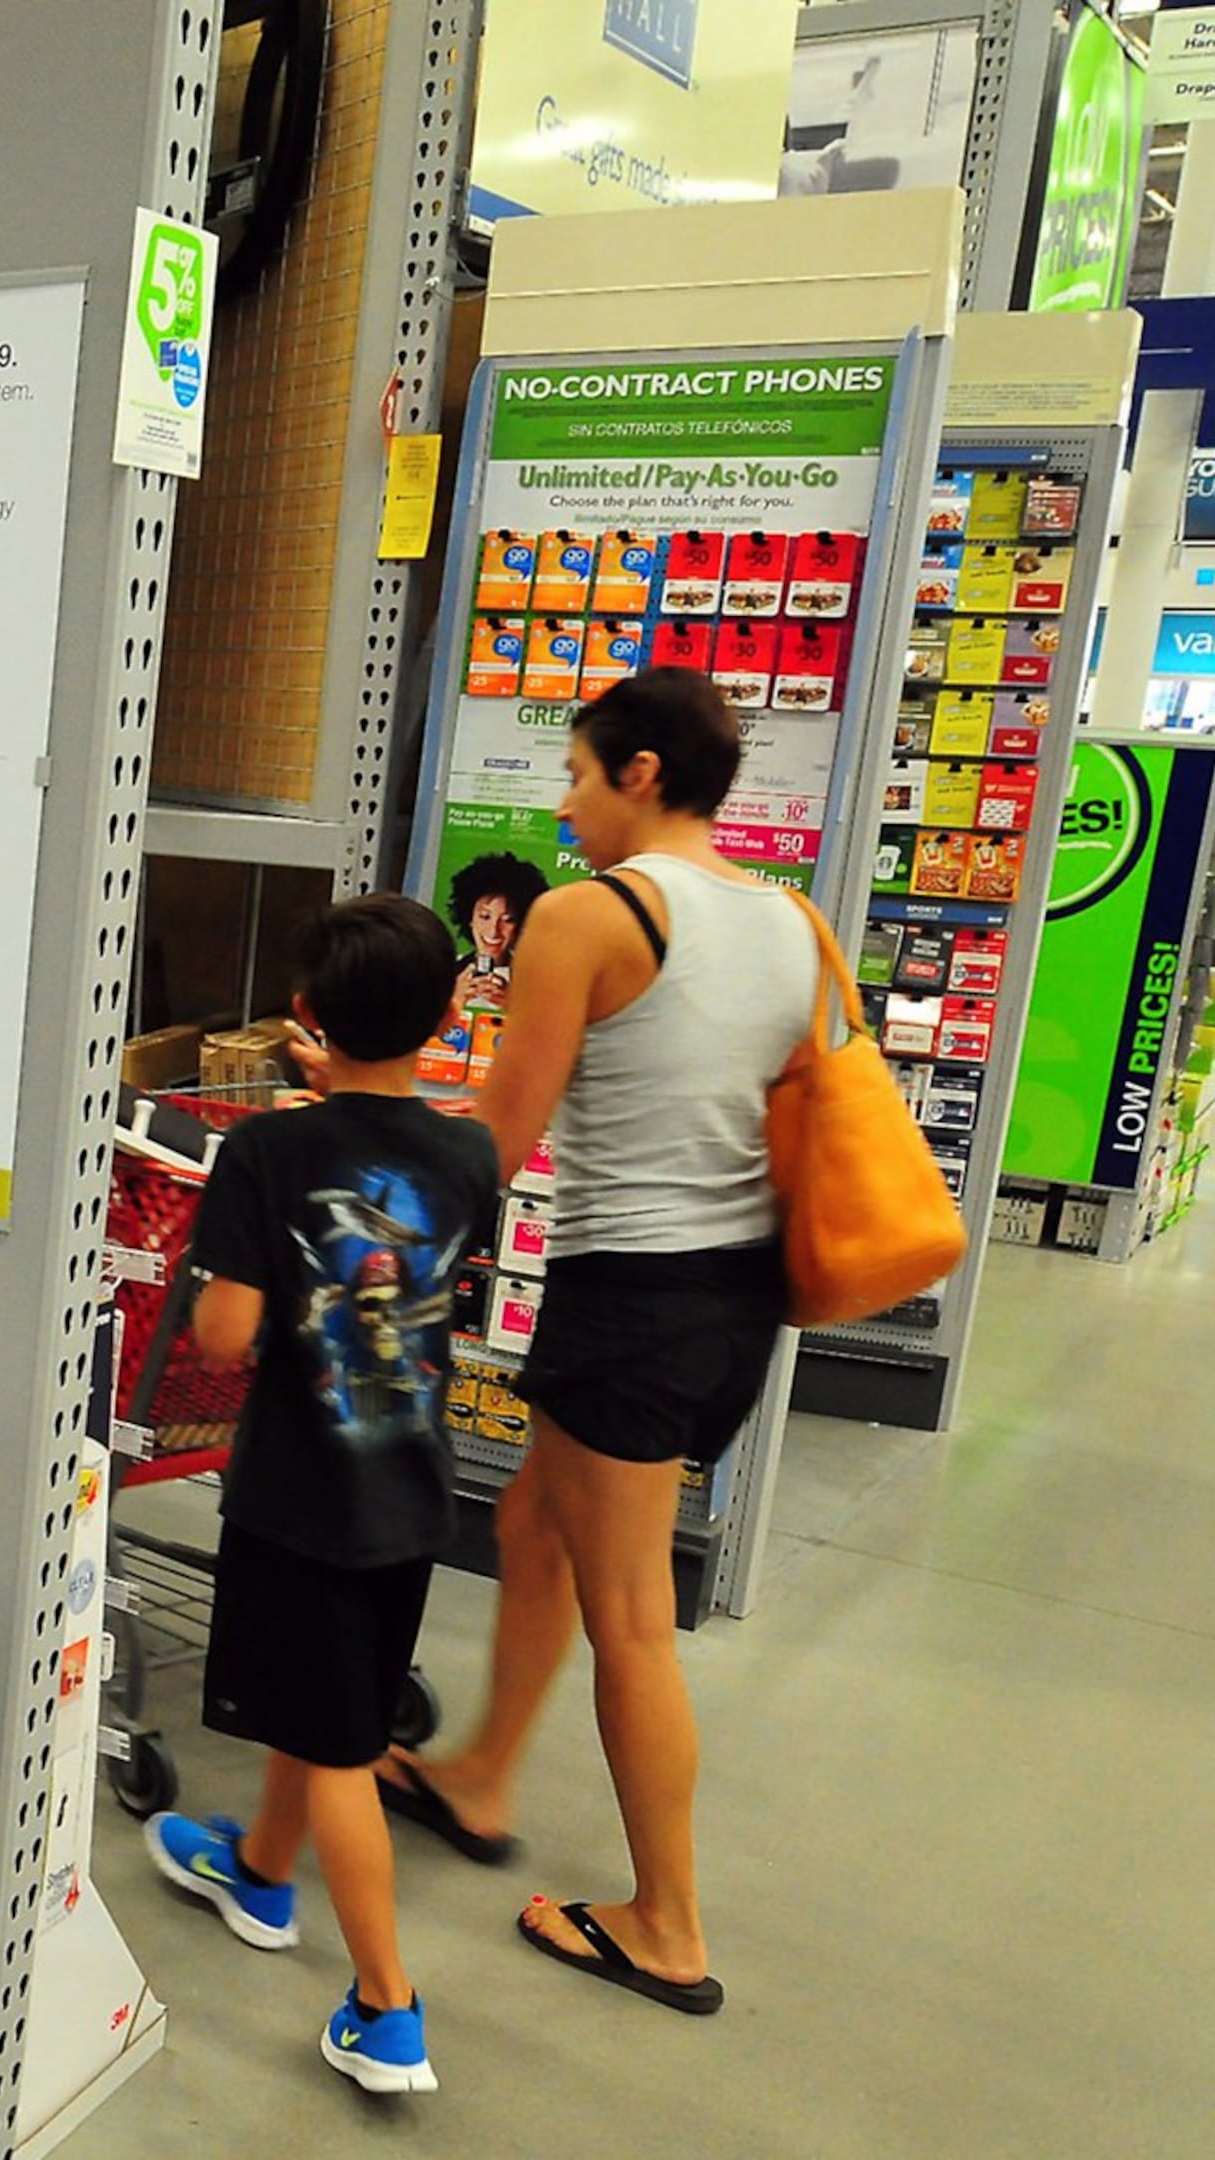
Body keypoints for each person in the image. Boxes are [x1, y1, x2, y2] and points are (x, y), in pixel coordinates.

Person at [372, 667, 816, 2018]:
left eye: (576, 774)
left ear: (640, 773)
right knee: (534, 1534)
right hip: (740, 1299)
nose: (566, 805)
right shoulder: (790, 920)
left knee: (632, 1618)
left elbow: (499, 1139)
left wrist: (348, 1150)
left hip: (630, 1298)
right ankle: (486, 1773)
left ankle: (668, 1924)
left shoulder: (587, 917)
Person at [143, 895, 499, 2097]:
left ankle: (388, 2009)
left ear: (303, 1018)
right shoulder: (468, 1152)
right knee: (329, 1706)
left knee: (342, 1743)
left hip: (297, 1497)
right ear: (449, 1016)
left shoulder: (267, 1153)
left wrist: (213, 1285)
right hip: (410, 1496)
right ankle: (255, 1870)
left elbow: (231, 1332)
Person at [448, 850, 550, 1014]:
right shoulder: (443, 970)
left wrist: (515, 1005)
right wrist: (452, 999)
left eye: (507, 920)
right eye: (485, 916)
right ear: (469, 918)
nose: (493, 931)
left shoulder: (538, 980)